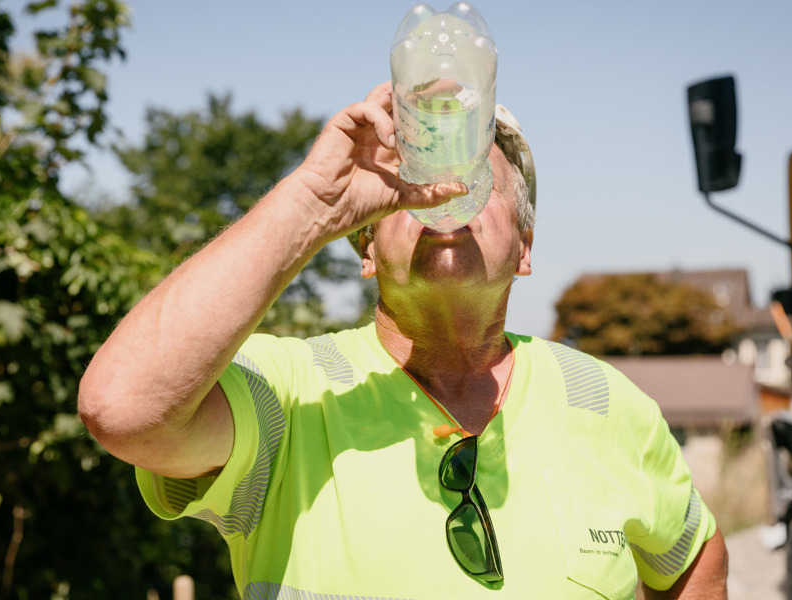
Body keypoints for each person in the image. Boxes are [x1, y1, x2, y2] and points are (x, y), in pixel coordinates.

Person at [79, 81, 728, 599]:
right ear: (366, 248)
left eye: (476, 182)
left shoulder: (608, 401)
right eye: (414, 186)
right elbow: (123, 409)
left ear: (524, 248)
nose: (445, 201)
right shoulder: (290, 391)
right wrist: (312, 203)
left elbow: (695, 557)